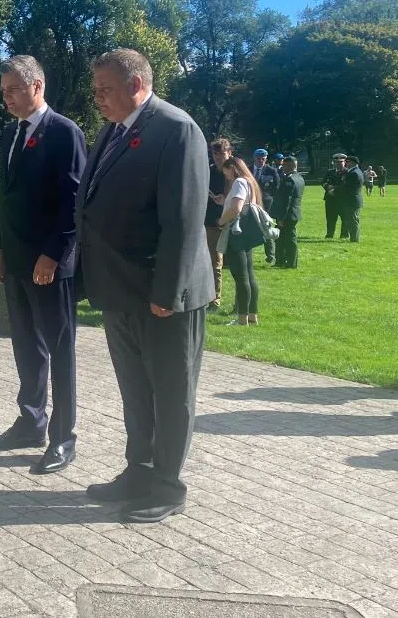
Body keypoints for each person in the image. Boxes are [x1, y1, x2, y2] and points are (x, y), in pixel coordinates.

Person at [76, 48, 213, 523]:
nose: (98, 99)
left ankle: (168, 486)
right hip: (119, 291)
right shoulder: (114, 130)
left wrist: (167, 292)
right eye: (96, 90)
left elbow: (183, 218)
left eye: (105, 89)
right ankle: (139, 470)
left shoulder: (176, 130)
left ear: (136, 84)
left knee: (171, 393)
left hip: (162, 296)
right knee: (135, 389)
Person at [0, 54, 86, 478]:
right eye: (3, 91)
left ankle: (63, 438)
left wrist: (52, 255)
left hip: (50, 264)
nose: (6, 98)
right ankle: (30, 422)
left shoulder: (64, 133)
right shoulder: (11, 132)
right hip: (16, 261)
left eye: (13, 90)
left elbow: (74, 202)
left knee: (59, 351)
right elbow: (7, 196)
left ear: (37, 87)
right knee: (26, 345)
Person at [217, 157, 263, 326]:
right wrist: (223, 201)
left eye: (226, 171)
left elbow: (236, 208)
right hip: (247, 231)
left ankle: (242, 317)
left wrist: (221, 221)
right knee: (250, 275)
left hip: (236, 231)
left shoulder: (239, 182)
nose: (226, 176)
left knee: (241, 276)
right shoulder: (250, 182)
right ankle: (252, 315)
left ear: (233, 168)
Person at [204, 139, 231, 309]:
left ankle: (242, 304)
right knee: (214, 262)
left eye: (222, 153)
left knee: (236, 264)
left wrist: (225, 200)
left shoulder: (234, 172)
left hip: (230, 221)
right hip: (211, 221)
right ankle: (214, 298)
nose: (219, 157)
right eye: (216, 153)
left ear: (229, 152)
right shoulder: (209, 171)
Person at [273, 155, 305, 268]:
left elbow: (286, 200)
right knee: (283, 238)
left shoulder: (289, 179)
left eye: (285, 165)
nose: (282, 167)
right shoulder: (299, 177)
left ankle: (290, 262)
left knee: (288, 239)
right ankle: (281, 260)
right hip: (294, 212)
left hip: (287, 214)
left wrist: (281, 217)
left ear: (290, 166)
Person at [251, 149, 281, 264]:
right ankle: (247, 255)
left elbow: (276, 187)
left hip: (266, 205)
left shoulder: (271, 171)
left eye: (263, 158)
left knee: (266, 228)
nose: (261, 161)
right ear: (254, 158)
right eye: (259, 158)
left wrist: (269, 198)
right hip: (250, 203)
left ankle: (270, 255)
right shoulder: (248, 169)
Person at [322, 154, 347, 238]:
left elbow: (346, 185)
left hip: (342, 199)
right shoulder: (330, 172)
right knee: (330, 218)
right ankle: (330, 234)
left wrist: (335, 189)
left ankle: (344, 235)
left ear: (345, 162)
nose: (338, 164)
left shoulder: (348, 172)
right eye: (336, 162)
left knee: (345, 218)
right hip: (330, 198)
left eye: (341, 162)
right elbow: (323, 182)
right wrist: (328, 187)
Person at [340, 154, 364, 242]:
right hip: (354, 199)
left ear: (353, 163)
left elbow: (347, 187)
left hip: (352, 200)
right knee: (352, 219)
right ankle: (354, 238)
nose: (346, 163)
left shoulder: (354, 173)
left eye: (347, 162)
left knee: (352, 220)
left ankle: (354, 239)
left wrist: (334, 189)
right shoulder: (357, 171)